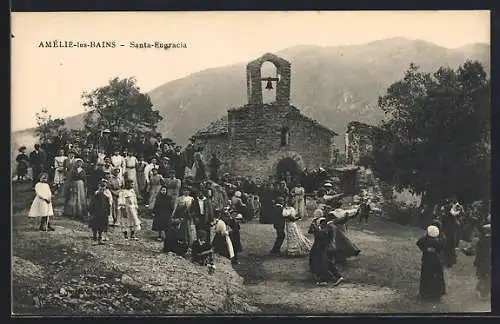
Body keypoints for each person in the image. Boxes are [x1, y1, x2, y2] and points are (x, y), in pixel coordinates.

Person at [308, 216, 343, 285]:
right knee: (325, 262)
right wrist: (313, 225)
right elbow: (310, 231)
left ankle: (324, 279)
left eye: (323, 222)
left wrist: (314, 226)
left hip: (321, 248)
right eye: (321, 222)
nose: (323, 224)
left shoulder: (326, 230)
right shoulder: (324, 229)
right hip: (319, 248)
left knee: (322, 262)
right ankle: (335, 276)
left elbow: (319, 234)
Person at [416, 225, 446, 301]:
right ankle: (436, 294)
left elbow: (418, 243)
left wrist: (425, 249)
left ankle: (425, 293)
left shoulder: (425, 240)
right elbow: (442, 247)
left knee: (426, 277)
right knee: (436, 277)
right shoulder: (439, 241)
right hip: (437, 261)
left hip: (427, 261)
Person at [88, 179, 111, 245]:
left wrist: (108, 213)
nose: (102, 189)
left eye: (103, 187)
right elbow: (91, 205)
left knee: (101, 226)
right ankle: (95, 238)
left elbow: (108, 206)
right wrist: (90, 212)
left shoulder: (106, 197)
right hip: (96, 214)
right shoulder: (95, 196)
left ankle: (100, 238)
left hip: (103, 214)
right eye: (101, 187)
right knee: (95, 226)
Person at [474, 222, 491, 299]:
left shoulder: (481, 241)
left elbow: (478, 253)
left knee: (482, 276)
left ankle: (481, 291)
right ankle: (485, 292)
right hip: (489, 262)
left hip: (482, 261)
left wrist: (476, 262)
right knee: (488, 277)